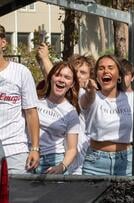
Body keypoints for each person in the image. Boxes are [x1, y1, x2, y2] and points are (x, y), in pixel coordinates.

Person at [80, 54, 134, 177]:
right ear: (96, 75)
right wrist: (90, 91)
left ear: (119, 76)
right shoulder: (91, 95)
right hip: (96, 162)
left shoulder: (131, 99)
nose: (106, 71)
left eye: (110, 68)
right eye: (101, 68)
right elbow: (87, 100)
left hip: (125, 161)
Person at [36, 45, 96, 174]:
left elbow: (87, 100)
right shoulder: (64, 92)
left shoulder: (83, 94)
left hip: (82, 160)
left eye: (83, 72)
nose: (78, 75)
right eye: (76, 71)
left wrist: (91, 92)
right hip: (61, 158)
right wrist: (44, 59)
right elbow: (54, 76)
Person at [0, 24, 40, 174]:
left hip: (15, 150)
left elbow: (31, 112)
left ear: (3, 42)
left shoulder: (21, 72)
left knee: (18, 197)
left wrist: (35, 148)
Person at [35, 61, 80, 174]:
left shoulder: (71, 112)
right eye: (58, 75)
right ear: (50, 78)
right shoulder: (35, 100)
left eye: (67, 77)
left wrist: (62, 167)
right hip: (28, 157)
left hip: (53, 161)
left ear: (72, 84)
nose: (61, 79)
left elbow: (72, 149)